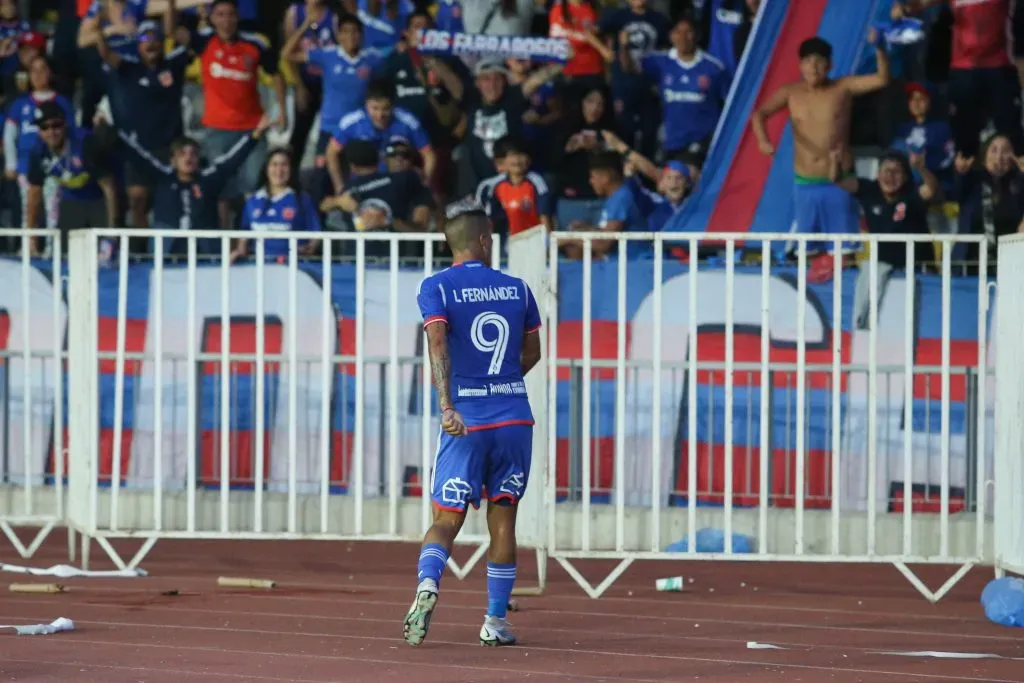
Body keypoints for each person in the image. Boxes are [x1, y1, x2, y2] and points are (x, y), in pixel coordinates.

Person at [404, 199, 542, 648]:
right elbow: (533, 352)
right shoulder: (518, 289)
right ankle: (495, 621)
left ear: (451, 243)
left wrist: (449, 404)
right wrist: (500, 384)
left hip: (467, 419)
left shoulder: (436, 287)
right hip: (515, 418)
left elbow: (438, 342)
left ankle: (428, 585)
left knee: (446, 517)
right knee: (504, 522)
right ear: (485, 240)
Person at [751, 34, 890, 262]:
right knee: (808, 254)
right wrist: (762, 140)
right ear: (800, 65)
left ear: (830, 65)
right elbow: (759, 114)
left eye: (819, 61)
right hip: (805, 183)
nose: (813, 67)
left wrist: (879, 47)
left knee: (844, 254)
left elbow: (882, 79)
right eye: (807, 61)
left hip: (839, 181)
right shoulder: (790, 92)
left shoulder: (843, 87)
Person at [116, 115, 272, 256]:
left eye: (193, 154)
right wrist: (116, 131)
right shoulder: (163, 176)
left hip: (206, 252)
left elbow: (233, 159)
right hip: (166, 252)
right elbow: (138, 156)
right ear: (173, 160)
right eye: (182, 154)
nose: (188, 158)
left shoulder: (209, 178)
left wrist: (255, 135)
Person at [24, 101, 118, 257]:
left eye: (56, 125)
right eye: (44, 127)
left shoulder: (85, 144)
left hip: (99, 200)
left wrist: (112, 234)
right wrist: (30, 237)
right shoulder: (39, 151)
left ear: (65, 124)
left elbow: (109, 188)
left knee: (105, 258)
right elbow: (34, 195)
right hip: (71, 201)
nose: (51, 132)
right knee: (64, 256)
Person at [232, 147, 323, 262]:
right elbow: (244, 234)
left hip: (292, 268)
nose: (279, 170)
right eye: (274, 164)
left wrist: (310, 248)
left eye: (284, 165)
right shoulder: (253, 200)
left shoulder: (301, 199)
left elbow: (315, 233)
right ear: (266, 169)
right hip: (258, 267)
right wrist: (239, 252)